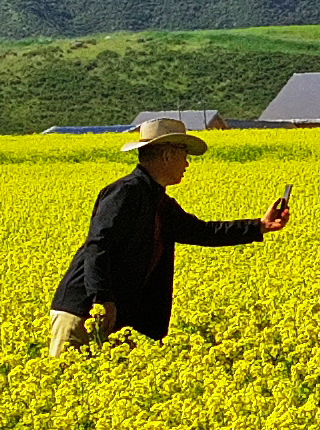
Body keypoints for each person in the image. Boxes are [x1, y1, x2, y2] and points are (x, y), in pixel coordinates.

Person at [46, 117, 290, 353]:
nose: (187, 163)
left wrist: (259, 225)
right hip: (83, 311)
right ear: (167, 155)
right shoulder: (125, 193)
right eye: (184, 154)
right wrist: (102, 301)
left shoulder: (158, 202)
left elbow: (202, 232)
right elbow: (98, 246)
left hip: (115, 316)